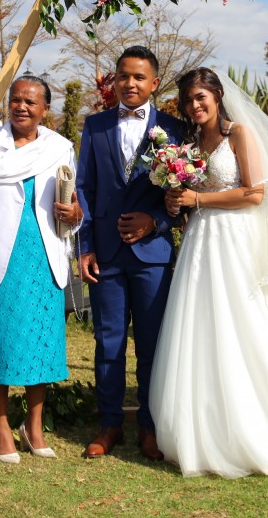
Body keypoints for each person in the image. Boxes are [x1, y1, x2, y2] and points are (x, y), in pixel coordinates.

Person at [150, 67, 268, 478]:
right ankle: (203, 428)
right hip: (200, 242)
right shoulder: (190, 143)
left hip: (237, 241)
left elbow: (255, 192)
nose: (194, 106)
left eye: (200, 98)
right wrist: (178, 202)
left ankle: (258, 428)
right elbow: (191, 197)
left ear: (216, 95)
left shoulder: (239, 134)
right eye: (188, 100)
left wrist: (199, 196)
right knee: (202, 328)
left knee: (244, 326)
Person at [0, 75, 82, 464]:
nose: (21, 107)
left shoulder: (60, 148)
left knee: (41, 342)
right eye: (16, 100)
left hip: (44, 257)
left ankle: (34, 426)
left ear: (46, 109)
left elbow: (71, 205)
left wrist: (75, 214)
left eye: (31, 102)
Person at [76, 45, 185, 461]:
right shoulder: (96, 126)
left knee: (153, 343)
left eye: (139, 77)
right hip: (105, 254)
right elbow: (84, 189)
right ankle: (109, 425)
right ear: (114, 80)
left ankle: (151, 425)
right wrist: (84, 247)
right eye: (123, 76)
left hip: (152, 254)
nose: (130, 83)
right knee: (108, 342)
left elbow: (181, 196)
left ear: (155, 83)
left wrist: (154, 222)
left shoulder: (174, 130)